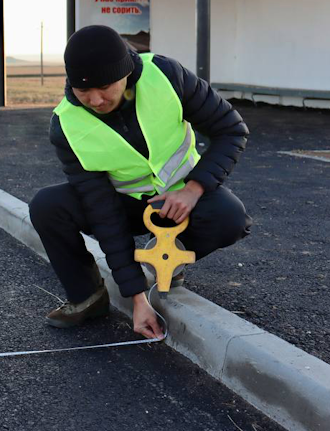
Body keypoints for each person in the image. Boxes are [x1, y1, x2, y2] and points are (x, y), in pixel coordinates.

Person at [29, 25, 251, 339]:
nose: (95, 99)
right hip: (124, 205)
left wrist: (194, 188)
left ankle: (169, 253)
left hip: (180, 200)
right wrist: (137, 297)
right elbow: (101, 211)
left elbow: (231, 129)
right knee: (47, 206)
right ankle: (87, 297)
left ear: (126, 72)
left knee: (230, 217)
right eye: (83, 92)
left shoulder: (166, 76)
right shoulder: (66, 125)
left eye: (105, 86)